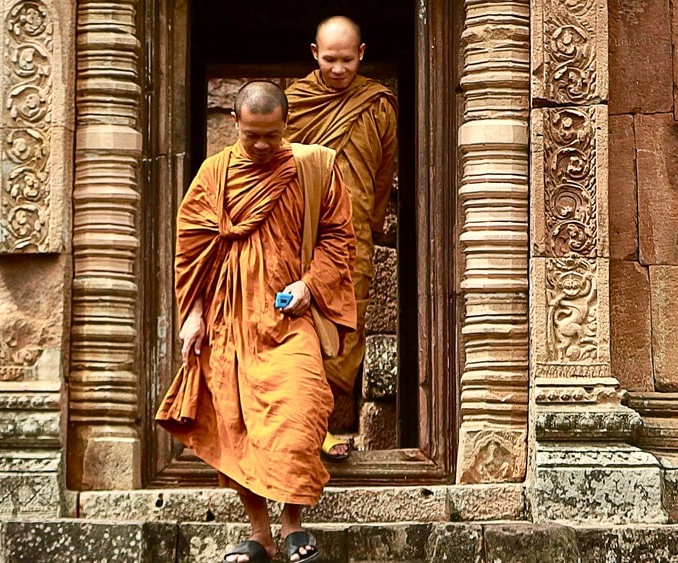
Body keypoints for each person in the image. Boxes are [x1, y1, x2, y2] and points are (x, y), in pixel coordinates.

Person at [156, 81, 357, 563]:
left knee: (300, 411)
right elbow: (192, 251)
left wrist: (310, 285)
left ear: (285, 123)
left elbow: (338, 239)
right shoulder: (214, 175)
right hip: (228, 321)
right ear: (234, 123)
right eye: (252, 136)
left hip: (290, 320)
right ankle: (260, 534)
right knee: (238, 426)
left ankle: (293, 527)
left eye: (270, 134)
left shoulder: (316, 167)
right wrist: (194, 314)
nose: (262, 145)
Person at [284, 15, 399, 461]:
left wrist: (366, 225)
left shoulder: (377, 106)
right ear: (315, 55)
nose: (338, 69)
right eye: (329, 59)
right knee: (296, 328)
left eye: (347, 60)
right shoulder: (293, 103)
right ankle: (294, 430)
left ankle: (333, 429)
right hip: (299, 240)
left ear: (362, 54)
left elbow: (382, 173)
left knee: (347, 331)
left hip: (353, 242)